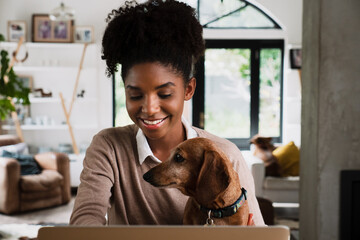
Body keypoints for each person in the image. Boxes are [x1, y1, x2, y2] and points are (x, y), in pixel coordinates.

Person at [70, 0, 264, 226]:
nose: (150, 108)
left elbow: (258, 231)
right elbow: (84, 223)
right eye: (135, 95)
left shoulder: (226, 156)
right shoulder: (109, 147)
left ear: (188, 89)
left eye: (164, 94)